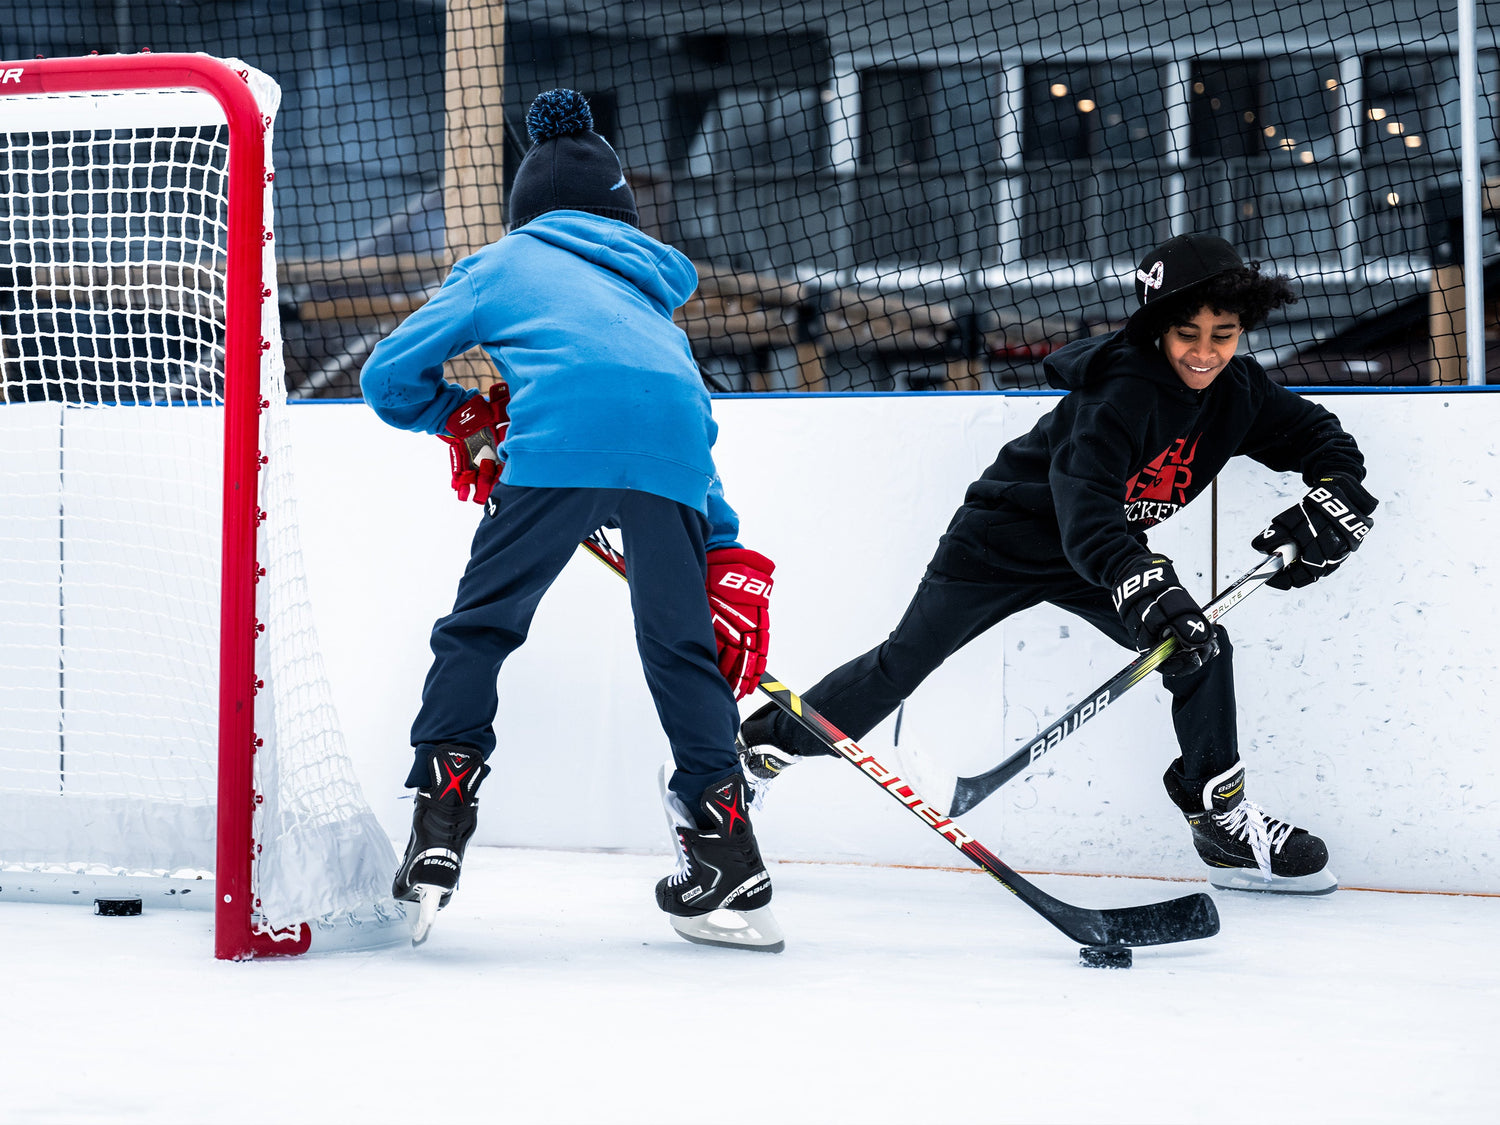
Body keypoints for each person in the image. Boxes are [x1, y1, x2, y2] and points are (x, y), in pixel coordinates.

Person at [739, 233, 1377, 895]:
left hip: (1095, 557)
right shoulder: (1119, 394)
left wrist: (1337, 491)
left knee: (1200, 648)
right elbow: (1087, 512)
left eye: (1224, 333)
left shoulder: (1236, 390)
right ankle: (758, 752)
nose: (1204, 351)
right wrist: (1144, 580)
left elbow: (1318, 436)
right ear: (1157, 327)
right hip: (999, 544)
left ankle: (1221, 820)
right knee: (899, 666)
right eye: (1187, 332)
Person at [360, 89, 782, 949]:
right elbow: (684, 418)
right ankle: (730, 849)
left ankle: (441, 822)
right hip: (672, 468)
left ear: (528, 211)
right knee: (681, 652)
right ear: (620, 209)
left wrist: (462, 419)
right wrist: (725, 548)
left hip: (555, 453)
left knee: (479, 629)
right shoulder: (653, 294)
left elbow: (387, 375)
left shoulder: (503, 263)